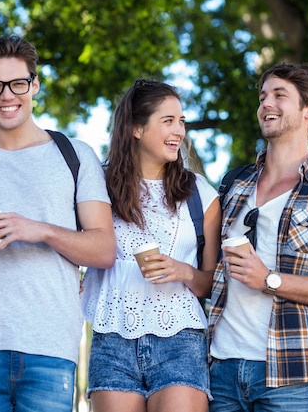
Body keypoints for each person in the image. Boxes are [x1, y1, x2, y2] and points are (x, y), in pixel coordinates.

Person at [0, 34, 116, 412]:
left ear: (35, 85)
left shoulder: (75, 155)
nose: (6, 95)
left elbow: (105, 249)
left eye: (17, 83)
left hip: (51, 346)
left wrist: (41, 230)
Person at [208, 62, 308, 412]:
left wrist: (270, 280)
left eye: (280, 95)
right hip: (219, 370)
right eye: (263, 96)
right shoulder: (232, 185)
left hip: (292, 376)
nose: (266, 103)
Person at [81, 80, 222, 412]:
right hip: (110, 341)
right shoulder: (96, 185)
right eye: (168, 120)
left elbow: (214, 284)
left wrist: (183, 270)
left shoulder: (200, 193)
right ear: (136, 128)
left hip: (181, 343)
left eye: (182, 121)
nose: (179, 131)